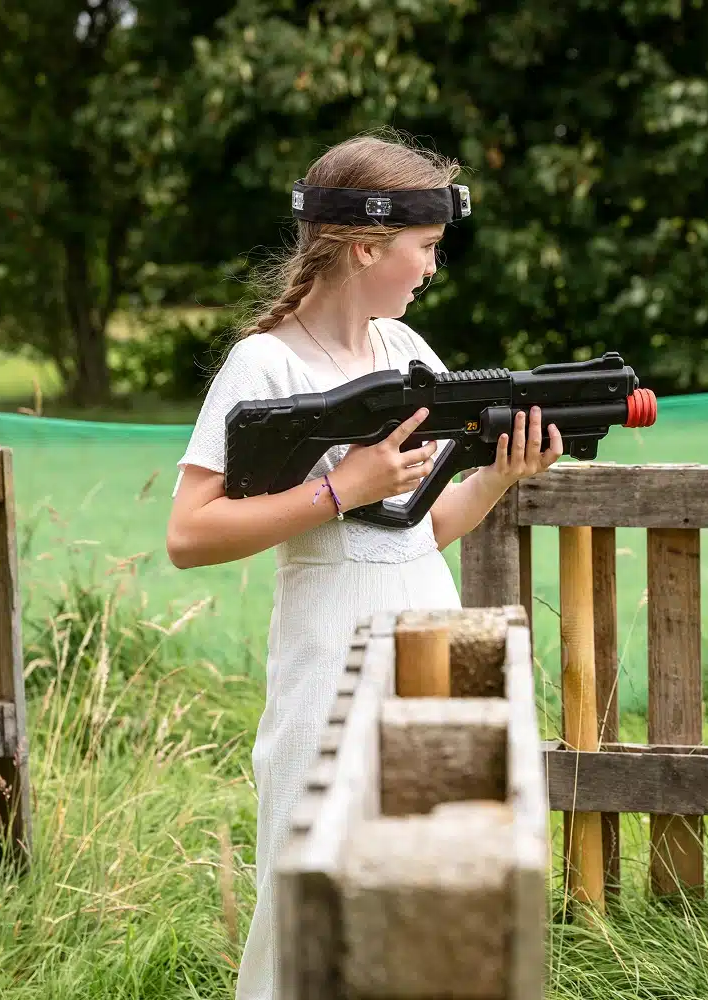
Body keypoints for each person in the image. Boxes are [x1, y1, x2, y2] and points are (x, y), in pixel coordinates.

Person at [165, 130, 563, 999]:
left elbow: (419, 528)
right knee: (313, 906)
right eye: (424, 249)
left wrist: (502, 474)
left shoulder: (409, 357)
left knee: (429, 897)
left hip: (431, 638)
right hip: (329, 661)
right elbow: (189, 534)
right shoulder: (264, 364)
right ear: (366, 245)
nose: (430, 269)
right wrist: (338, 491)